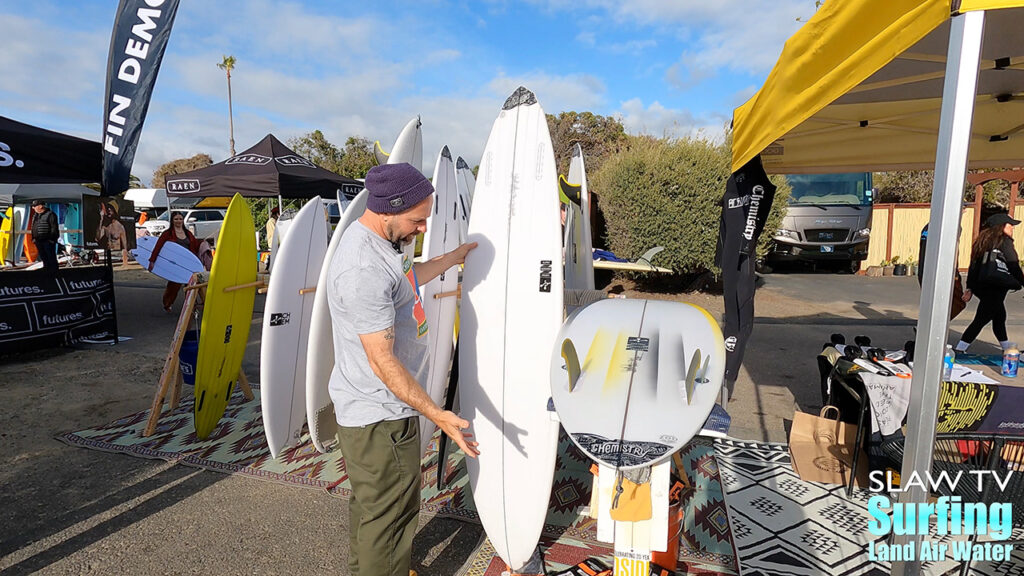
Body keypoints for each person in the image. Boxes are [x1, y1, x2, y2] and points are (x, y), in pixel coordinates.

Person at [327, 162, 478, 576]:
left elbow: (407, 280)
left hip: (378, 411)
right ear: (389, 209)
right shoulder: (363, 268)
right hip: (381, 416)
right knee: (391, 518)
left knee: (374, 511)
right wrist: (437, 414)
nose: (422, 229)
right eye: (417, 220)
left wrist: (453, 258)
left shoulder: (381, 245)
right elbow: (382, 360)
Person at [954, 213, 1024, 352]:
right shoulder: (1004, 241)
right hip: (996, 285)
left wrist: (970, 287)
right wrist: (1022, 281)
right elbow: (1013, 264)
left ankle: (1006, 347)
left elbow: (973, 266)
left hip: (982, 286)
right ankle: (960, 349)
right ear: (1002, 227)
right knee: (982, 318)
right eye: (1010, 225)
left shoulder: (982, 241)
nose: (1012, 228)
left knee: (999, 315)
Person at [150, 212, 201, 313]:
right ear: (172, 221)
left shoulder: (188, 233)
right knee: (174, 286)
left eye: (180, 219)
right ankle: (167, 303)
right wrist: (152, 260)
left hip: (188, 263)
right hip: (174, 264)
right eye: (176, 219)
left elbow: (195, 246)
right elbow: (158, 247)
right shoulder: (167, 234)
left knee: (191, 285)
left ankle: (191, 306)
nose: (178, 221)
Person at [95, 201, 130, 266]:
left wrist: (125, 262)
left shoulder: (120, 227)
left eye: (110, 210)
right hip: (108, 253)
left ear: (114, 211)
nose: (109, 213)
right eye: (107, 210)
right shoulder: (106, 226)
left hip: (116, 251)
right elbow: (98, 238)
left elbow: (124, 245)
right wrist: (101, 219)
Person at [30, 200, 60, 273]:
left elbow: (54, 228)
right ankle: (46, 268)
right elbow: (33, 227)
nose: (33, 208)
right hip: (38, 240)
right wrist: (33, 238)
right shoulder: (35, 215)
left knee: (51, 256)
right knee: (43, 256)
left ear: (40, 206)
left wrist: (52, 239)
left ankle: (54, 271)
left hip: (48, 240)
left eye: (34, 206)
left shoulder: (51, 214)